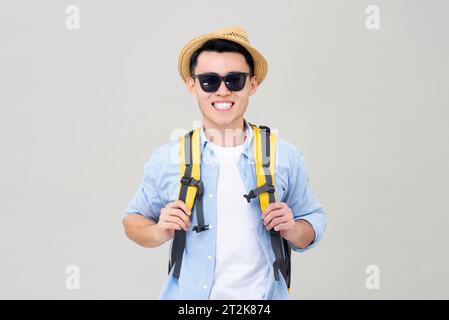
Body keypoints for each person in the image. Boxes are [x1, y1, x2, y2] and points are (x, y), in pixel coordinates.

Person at [122, 26, 326, 299]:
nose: (222, 91)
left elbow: (312, 220)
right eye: (209, 81)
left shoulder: (284, 156)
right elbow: (132, 220)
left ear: (252, 84)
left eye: (234, 80)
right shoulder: (168, 158)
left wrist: (293, 229)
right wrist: (159, 231)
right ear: (191, 85)